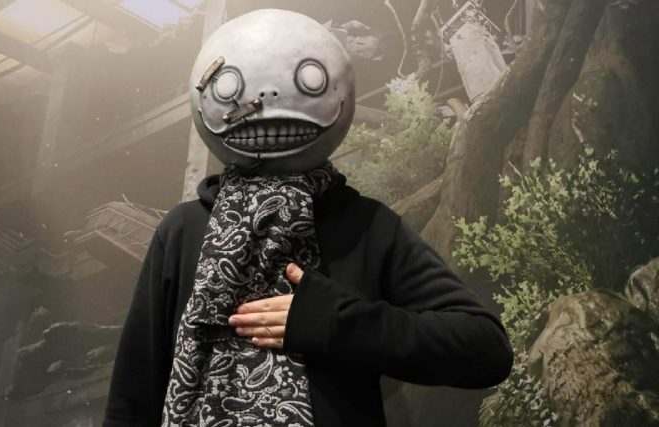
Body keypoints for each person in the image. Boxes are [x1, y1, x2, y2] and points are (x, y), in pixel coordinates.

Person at [103, 9, 513, 427]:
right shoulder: (182, 230)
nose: (266, 100)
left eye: (309, 79)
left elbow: (484, 347)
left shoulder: (367, 226)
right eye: (232, 87)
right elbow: (134, 393)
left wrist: (336, 321)